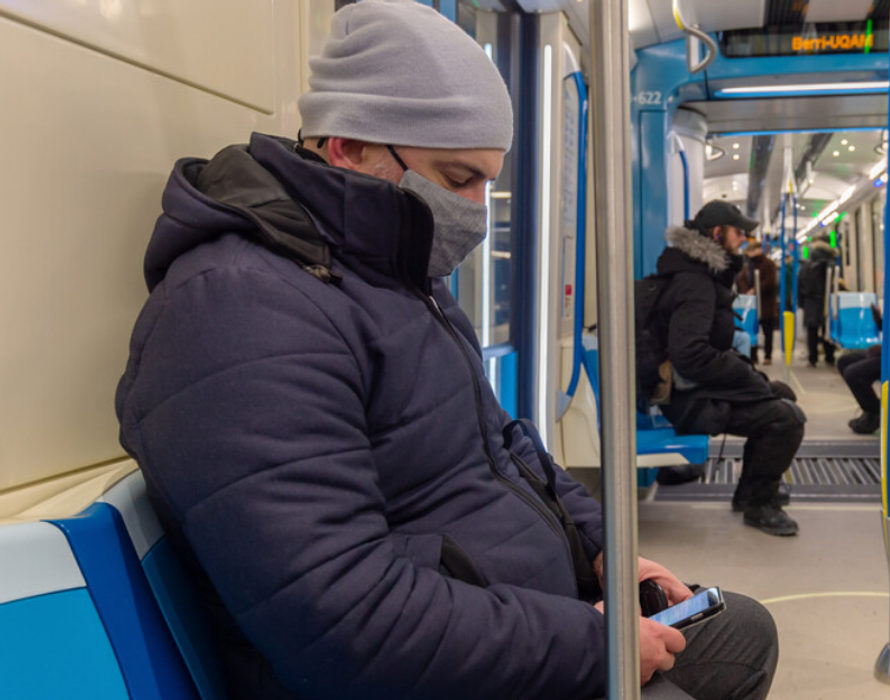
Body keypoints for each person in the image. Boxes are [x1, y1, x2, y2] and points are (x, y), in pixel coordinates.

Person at [113, 3, 778, 699]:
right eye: (457, 178)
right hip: (408, 672)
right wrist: (592, 644)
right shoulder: (238, 312)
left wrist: (602, 548)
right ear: (347, 146)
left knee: (742, 630)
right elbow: (345, 623)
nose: (477, 207)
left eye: (487, 179)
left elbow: (505, 447)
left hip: (501, 613)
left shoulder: (398, 277)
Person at [651, 201, 805, 537]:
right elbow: (690, 354)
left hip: (696, 387)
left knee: (782, 395)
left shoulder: (702, 273)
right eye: (738, 232)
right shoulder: (695, 283)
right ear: (716, 234)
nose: (744, 238)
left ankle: (752, 490)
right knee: (786, 418)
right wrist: (746, 376)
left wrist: (747, 377)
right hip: (687, 398)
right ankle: (758, 505)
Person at [836, 277, 890, 435]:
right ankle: (872, 410)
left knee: (854, 374)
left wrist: (888, 347)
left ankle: (876, 414)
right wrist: (881, 323)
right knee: (844, 361)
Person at [736, 236, 779, 365]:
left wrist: (755, 290)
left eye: (751, 250)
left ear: (759, 250)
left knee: (768, 332)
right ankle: (753, 356)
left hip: (766, 304)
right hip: (751, 304)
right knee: (751, 329)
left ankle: (768, 355)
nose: (750, 254)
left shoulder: (769, 264)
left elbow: (770, 282)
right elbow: (741, 279)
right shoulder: (748, 265)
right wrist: (746, 292)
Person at [797, 234, 837, 367]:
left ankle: (812, 359)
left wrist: (801, 303)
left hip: (810, 301)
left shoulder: (806, 265)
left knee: (812, 331)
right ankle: (829, 357)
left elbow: (800, 284)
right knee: (827, 329)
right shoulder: (831, 263)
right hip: (827, 300)